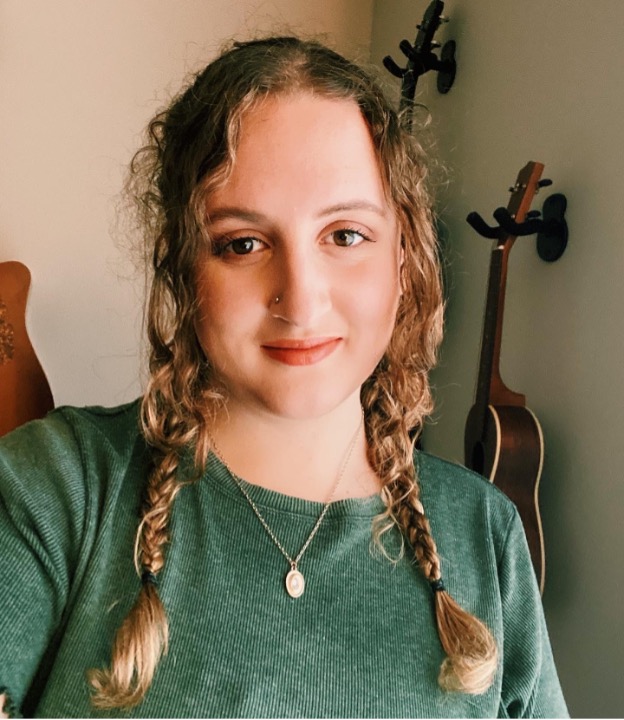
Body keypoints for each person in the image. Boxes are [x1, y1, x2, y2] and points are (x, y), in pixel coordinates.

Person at [0, 36, 567, 718]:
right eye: (244, 244)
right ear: (184, 270)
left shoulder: (485, 535)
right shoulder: (57, 489)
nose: (300, 299)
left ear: (404, 258)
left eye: (345, 236)